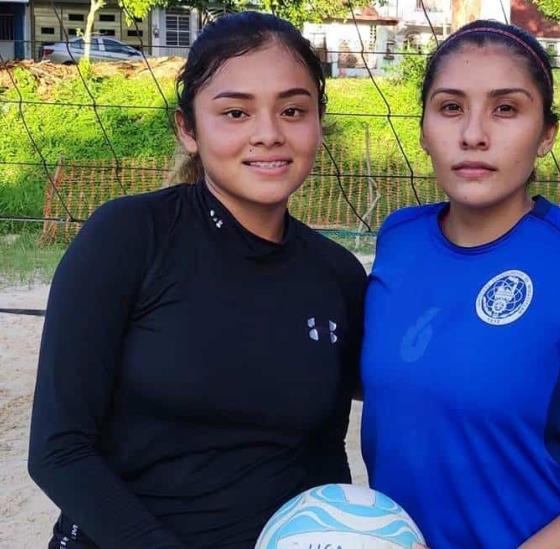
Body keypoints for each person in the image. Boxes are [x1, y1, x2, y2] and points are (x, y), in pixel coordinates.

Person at [28, 12, 366, 548]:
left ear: (317, 123)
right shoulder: (129, 236)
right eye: (235, 112)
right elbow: (59, 450)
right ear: (188, 129)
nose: (269, 134)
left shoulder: (336, 274)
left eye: (293, 110)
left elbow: (322, 456)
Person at [360, 20, 560, 549]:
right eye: (450, 107)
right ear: (422, 129)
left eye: (506, 108)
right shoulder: (400, 237)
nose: (474, 134)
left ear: (547, 133)